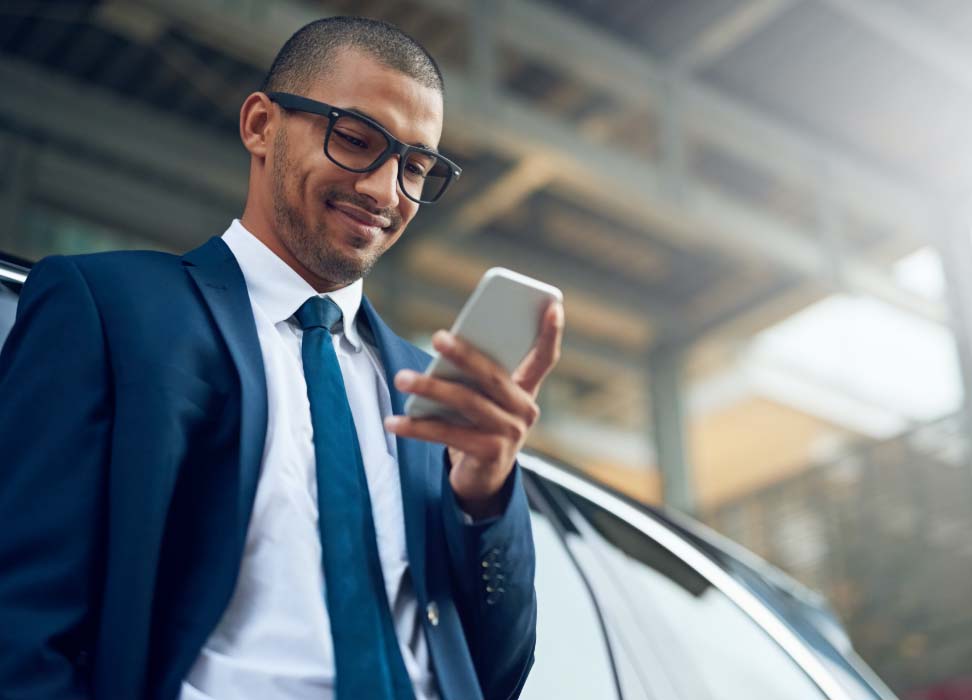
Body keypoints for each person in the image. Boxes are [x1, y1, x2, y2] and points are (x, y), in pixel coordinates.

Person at [0, 16, 563, 700]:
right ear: (261, 125)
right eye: (357, 140)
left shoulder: (432, 397)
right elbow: (23, 620)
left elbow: (495, 675)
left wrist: (486, 495)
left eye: (416, 168)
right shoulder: (107, 308)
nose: (386, 193)